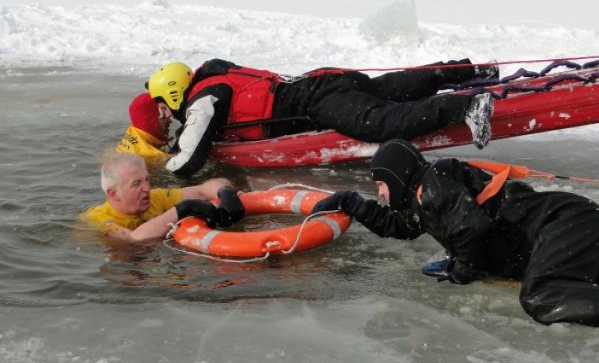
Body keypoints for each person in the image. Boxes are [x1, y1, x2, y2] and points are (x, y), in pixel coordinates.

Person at [311, 139, 599, 329]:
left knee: (541, 296)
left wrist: (465, 270)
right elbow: (397, 226)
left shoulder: (435, 184)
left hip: (560, 224)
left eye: (380, 185)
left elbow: (473, 228)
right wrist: (350, 202)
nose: (381, 194)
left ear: (398, 178)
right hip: (575, 225)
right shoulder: (422, 204)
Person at [144, 58, 497, 176]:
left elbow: (189, 159)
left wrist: (161, 167)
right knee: (387, 87)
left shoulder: (204, 98)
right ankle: (466, 70)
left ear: (174, 91)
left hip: (316, 100)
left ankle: (464, 107)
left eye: (163, 102)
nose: (167, 110)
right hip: (323, 80)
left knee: (378, 124)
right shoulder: (215, 78)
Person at [79, 153, 245, 242]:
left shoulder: (156, 198)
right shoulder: (97, 220)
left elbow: (203, 190)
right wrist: (182, 209)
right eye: (136, 184)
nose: (147, 188)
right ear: (113, 193)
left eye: (147, 180)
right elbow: (133, 238)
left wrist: (225, 191)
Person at [116, 93, 173, 159]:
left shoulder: (133, 132)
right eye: (164, 116)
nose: (170, 120)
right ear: (150, 122)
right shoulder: (154, 158)